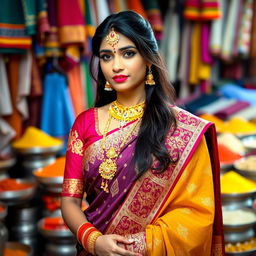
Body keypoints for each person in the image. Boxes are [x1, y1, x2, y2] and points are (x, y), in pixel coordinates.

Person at [61, 10, 225, 256]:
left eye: (128, 54)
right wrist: (94, 241)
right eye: (106, 57)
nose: (116, 66)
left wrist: (140, 245)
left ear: (148, 58)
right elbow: (69, 202)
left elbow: (196, 216)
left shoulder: (181, 129)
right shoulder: (84, 124)